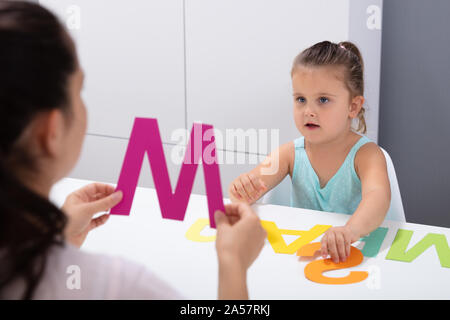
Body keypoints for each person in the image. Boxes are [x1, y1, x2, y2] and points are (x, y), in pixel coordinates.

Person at [0, 1, 266, 300]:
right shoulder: (121, 286)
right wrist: (233, 264)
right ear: (51, 131)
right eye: (79, 91)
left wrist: (59, 236)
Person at [229, 41, 391, 264]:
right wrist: (241, 188)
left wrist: (349, 231)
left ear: (353, 107)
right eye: (300, 99)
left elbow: (378, 197)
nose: (309, 111)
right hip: (303, 257)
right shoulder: (288, 154)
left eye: (323, 100)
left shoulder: (367, 155)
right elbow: (248, 190)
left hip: (352, 256)